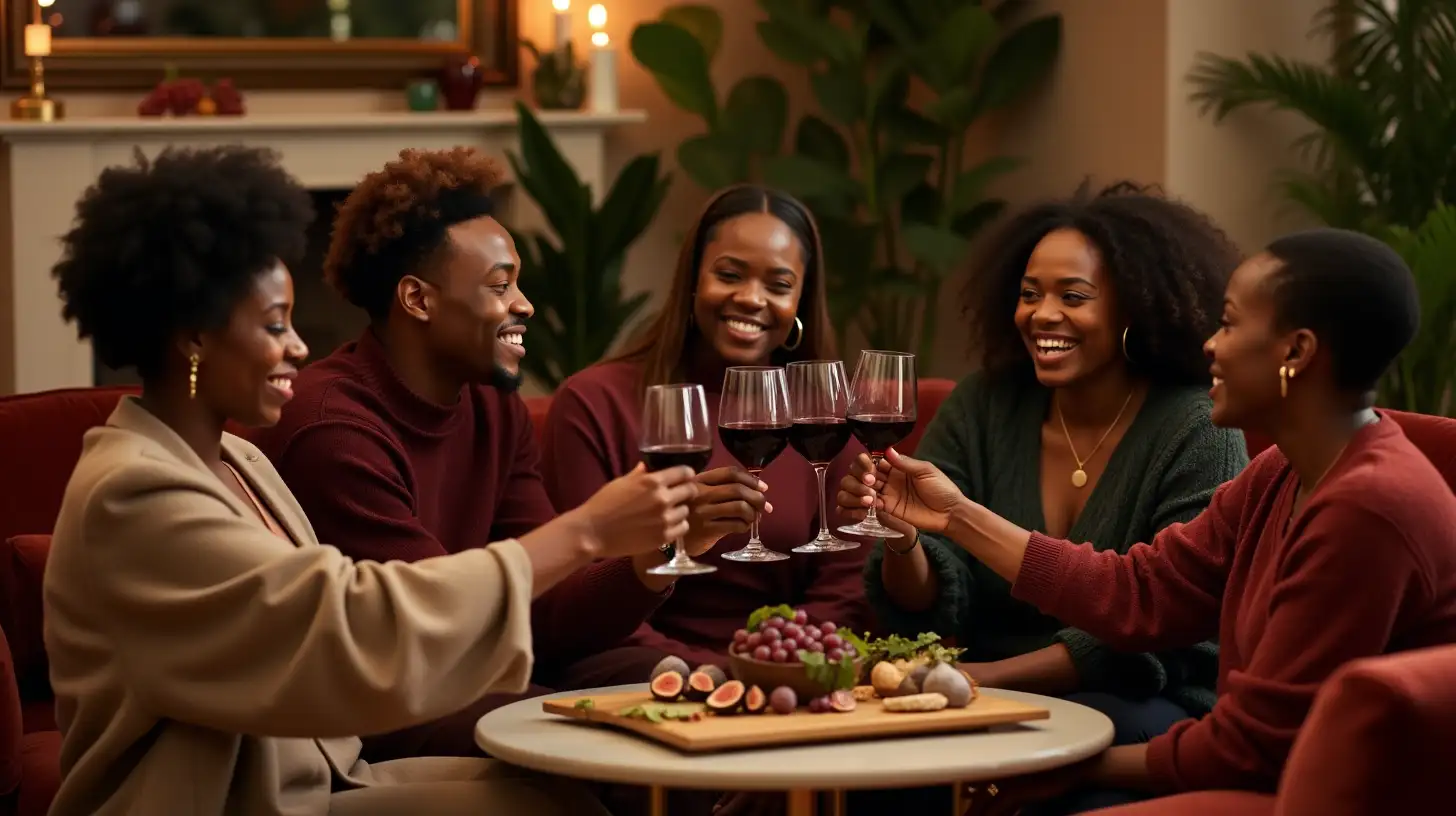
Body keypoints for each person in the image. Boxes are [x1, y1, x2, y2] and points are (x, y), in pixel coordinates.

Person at [44, 146, 699, 815]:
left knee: (562, 800)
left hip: (330, 776)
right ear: (194, 340)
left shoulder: (241, 464)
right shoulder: (133, 494)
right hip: (237, 804)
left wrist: (641, 563)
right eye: (275, 326)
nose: (300, 347)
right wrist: (588, 530)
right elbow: (363, 621)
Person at [842, 227, 1456, 813]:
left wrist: (1064, 764)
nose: (1210, 343)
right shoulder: (1281, 472)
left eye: (1231, 323)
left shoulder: (1366, 509)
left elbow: (1254, 749)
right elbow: (1140, 593)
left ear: (1296, 352)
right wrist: (956, 516)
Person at [247, 147, 706, 761]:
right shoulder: (331, 428)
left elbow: (543, 605)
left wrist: (655, 555)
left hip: (472, 666)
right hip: (383, 701)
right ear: (418, 299)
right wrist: (592, 530)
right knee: (613, 734)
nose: (526, 305)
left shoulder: (494, 407)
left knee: (682, 689)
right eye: (500, 285)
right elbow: (432, 625)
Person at [861, 183, 1248, 737]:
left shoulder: (1198, 428)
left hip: (1139, 701)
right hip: (973, 697)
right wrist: (903, 541)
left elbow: (1168, 624)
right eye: (1029, 293)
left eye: (1072, 296)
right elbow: (928, 604)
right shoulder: (982, 405)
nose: (1042, 315)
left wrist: (984, 680)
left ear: (1135, 306)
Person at [541, 185, 871, 689]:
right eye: (729, 275)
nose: (751, 299)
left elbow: (846, 585)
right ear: (693, 279)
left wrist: (774, 661)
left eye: (778, 284)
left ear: (800, 299)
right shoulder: (594, 402)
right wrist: (715, 673)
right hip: (638, 669)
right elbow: (579, 604)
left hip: (785, 671)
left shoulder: (819, 415)